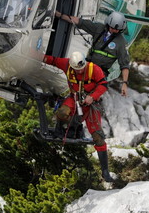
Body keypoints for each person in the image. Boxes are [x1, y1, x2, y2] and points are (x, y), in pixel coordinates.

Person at [42, 51, 115, 182]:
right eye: (77, 70)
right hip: (74, 99)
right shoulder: (66, 64)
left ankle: (105, 172)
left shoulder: (94, 69)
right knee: (62, 112)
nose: (80, 72)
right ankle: (62, 132)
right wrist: (36, 56)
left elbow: (103, 85)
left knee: (98, 136)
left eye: (81, 69)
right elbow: (53, 60)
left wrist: (92, 97)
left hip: (91, 105)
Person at [54, 10, 130, 96]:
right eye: (112, 28)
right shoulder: (98, 28)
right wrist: (60, 15)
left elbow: (125, 65)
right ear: (108, 24)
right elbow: (80, 22)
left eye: (117, 30)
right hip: (87, 65)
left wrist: (124, 83)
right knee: (71, 73)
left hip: (100, 71)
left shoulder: (121, 42)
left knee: (90, 92)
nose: (114, 30)